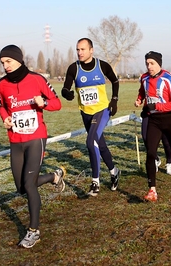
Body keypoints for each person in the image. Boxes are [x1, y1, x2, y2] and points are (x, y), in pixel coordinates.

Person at [0, 45, 66, 248]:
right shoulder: (1, 84)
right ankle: (54, 176)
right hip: (15, 140)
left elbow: (57, 103)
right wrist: (6, 118)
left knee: (29, 183)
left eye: (8, 61)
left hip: (36, 138)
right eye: (2, 63)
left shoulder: (37, 79)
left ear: (18, 59)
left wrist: (42, 102)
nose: (5, 66)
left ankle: (33, 231)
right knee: (21, 188)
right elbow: (1, 105)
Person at [60, 38, 120, 196]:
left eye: (83, 49)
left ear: (91, 50)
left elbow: (115, 81)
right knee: (100, 145)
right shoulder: (74, 68)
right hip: (85, 113)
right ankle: (114, 171)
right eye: (77, 49)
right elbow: (65, 87)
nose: (79, 52)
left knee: (90, 141)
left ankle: (95, 182)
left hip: (102, 110)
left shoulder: (102, 66)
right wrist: (67, 93)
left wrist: (114, 99)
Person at [134, 51, 171, 202]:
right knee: (151, 152)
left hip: (170, 119)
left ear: (159, 64)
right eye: (147, 63)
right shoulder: (144, 78)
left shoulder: (168, 79)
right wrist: (139, 100)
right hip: (153, 120)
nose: (149, 66)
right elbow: (142, 91)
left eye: (152, 63)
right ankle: (152, 189)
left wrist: (157, 106)